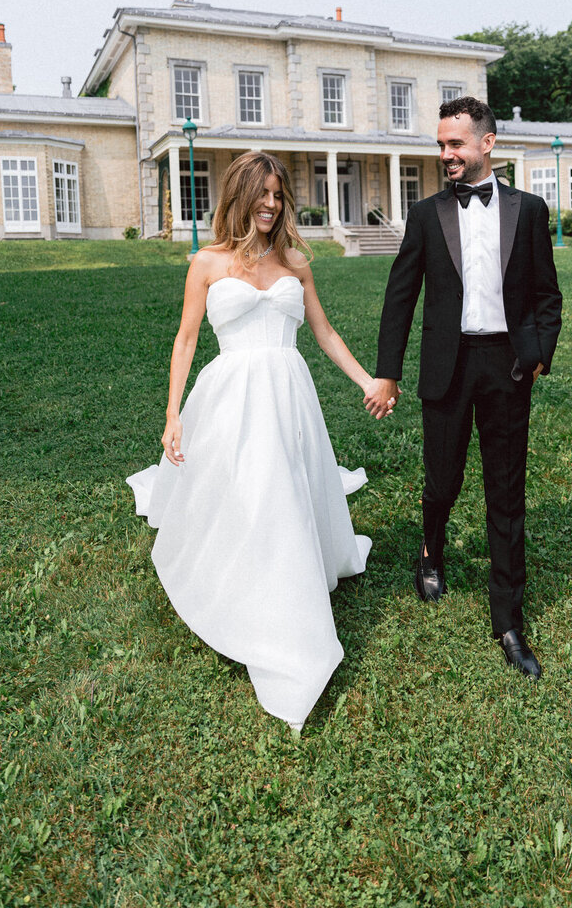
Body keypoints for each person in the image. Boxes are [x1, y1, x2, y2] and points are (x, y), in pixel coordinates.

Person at [127, 152, 392, 731]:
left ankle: (289, 583)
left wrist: (367, 379)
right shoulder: (206, 262)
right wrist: (172, 415)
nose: (272, 204)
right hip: (229, 394)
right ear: (241, 196)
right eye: (262, 194)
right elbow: (186, 340)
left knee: (282, 489)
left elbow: (322, 332)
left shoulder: (296, 261)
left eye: (278, 194)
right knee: (244, 492)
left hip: (288, 393)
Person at [364, 97, 562, 679]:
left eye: (455, 144)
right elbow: (400, 297)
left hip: (506, 367)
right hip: (446, 367)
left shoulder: (529, 211)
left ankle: (508, 620)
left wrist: (539, 356)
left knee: (506, 494)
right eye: (441, 145)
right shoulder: (426, 216)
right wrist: (388, 370)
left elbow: (548, 295)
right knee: (442, 479)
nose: (446, 154)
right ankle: (431, 549)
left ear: (487, 144)